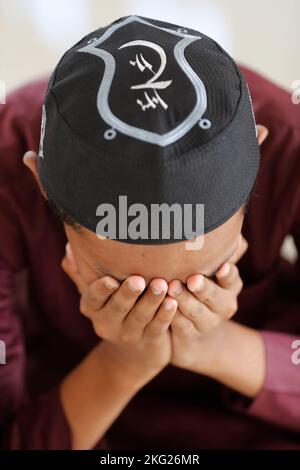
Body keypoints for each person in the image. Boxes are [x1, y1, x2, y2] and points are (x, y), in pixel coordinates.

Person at [0, 15, 299, 450]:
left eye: (203, 279)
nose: (164, 313)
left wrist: (218, 346)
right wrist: (122, 362)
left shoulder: (292, 138)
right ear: (41, 183)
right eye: (124, 286)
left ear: (259, 152)